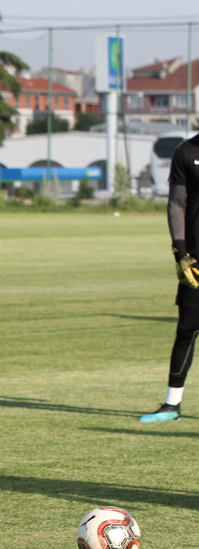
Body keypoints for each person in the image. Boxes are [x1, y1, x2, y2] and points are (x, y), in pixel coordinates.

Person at [141, 132, 199, 422]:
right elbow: (176, 203)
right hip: (197, 258)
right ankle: (171, 405)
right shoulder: (186, 151)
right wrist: (181, 252)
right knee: (187, 328)